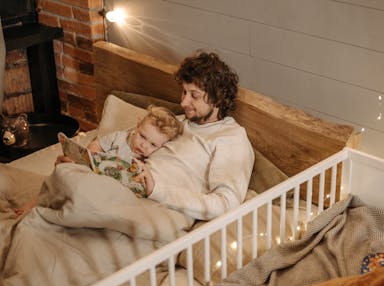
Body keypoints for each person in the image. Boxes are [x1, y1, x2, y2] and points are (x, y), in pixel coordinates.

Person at [58, 51, 255, 222]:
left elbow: (226, 203)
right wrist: (82, 162)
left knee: (77, 201)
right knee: (65, 174)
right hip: (132, 189)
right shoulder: (177, 122)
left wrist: (156, 190)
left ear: (217, 98)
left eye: (194, 96)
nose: (184, 102)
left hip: (164, 206)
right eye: (184, 92)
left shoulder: (231, 139)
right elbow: (130, 139)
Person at [15, 106, 183, 214]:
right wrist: (77, 159)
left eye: (153, 144)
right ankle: (33, 205)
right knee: (62, 171)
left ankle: (60, 208)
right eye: (142, 136)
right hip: (91, 173)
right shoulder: (118, 138)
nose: (144, 145)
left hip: (109, 191)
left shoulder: (149, 161)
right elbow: (93, 151)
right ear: (137, 126)